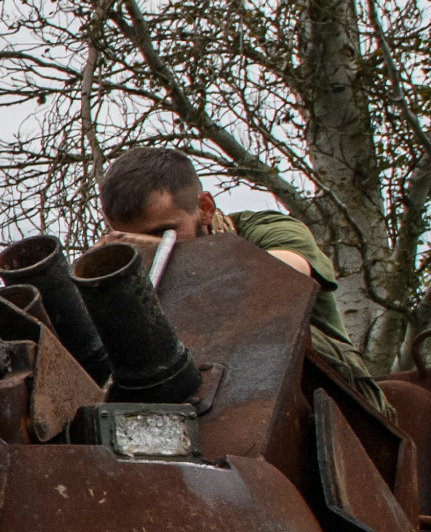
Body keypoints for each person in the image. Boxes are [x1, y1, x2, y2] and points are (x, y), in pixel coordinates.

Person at [91, 146, 357, 372]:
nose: (147, 250)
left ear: (204, 209)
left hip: (336, 389)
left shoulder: (266, 230)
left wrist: (169, 257)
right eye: (133, 240)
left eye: (163, 233)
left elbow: (280, 281)